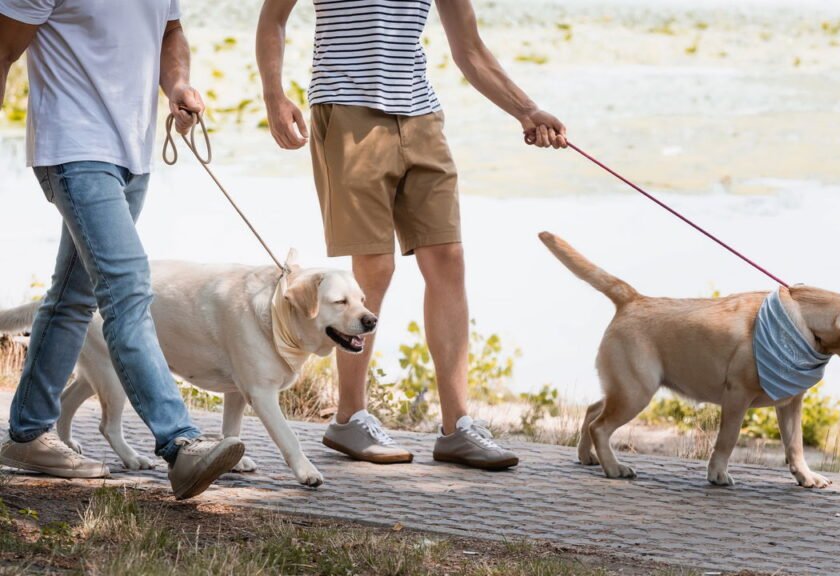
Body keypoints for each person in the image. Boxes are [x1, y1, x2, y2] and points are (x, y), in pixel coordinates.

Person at [257, 0, 567, 469]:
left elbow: (470, 49)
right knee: (374, 268)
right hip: (347, 114)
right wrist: (274, 95)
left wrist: (527, 110)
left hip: (422, 119)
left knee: (448, 259)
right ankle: (350, 418)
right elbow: (273, 19)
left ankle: (457, 426)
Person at [0, 0, 244, 500]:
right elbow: (3, 48)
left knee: (74, 295)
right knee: (128, 289)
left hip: (133, 152)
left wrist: (176, 84)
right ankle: (180, 444)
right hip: (72, 147)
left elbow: (170, 30)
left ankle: (27, 433)